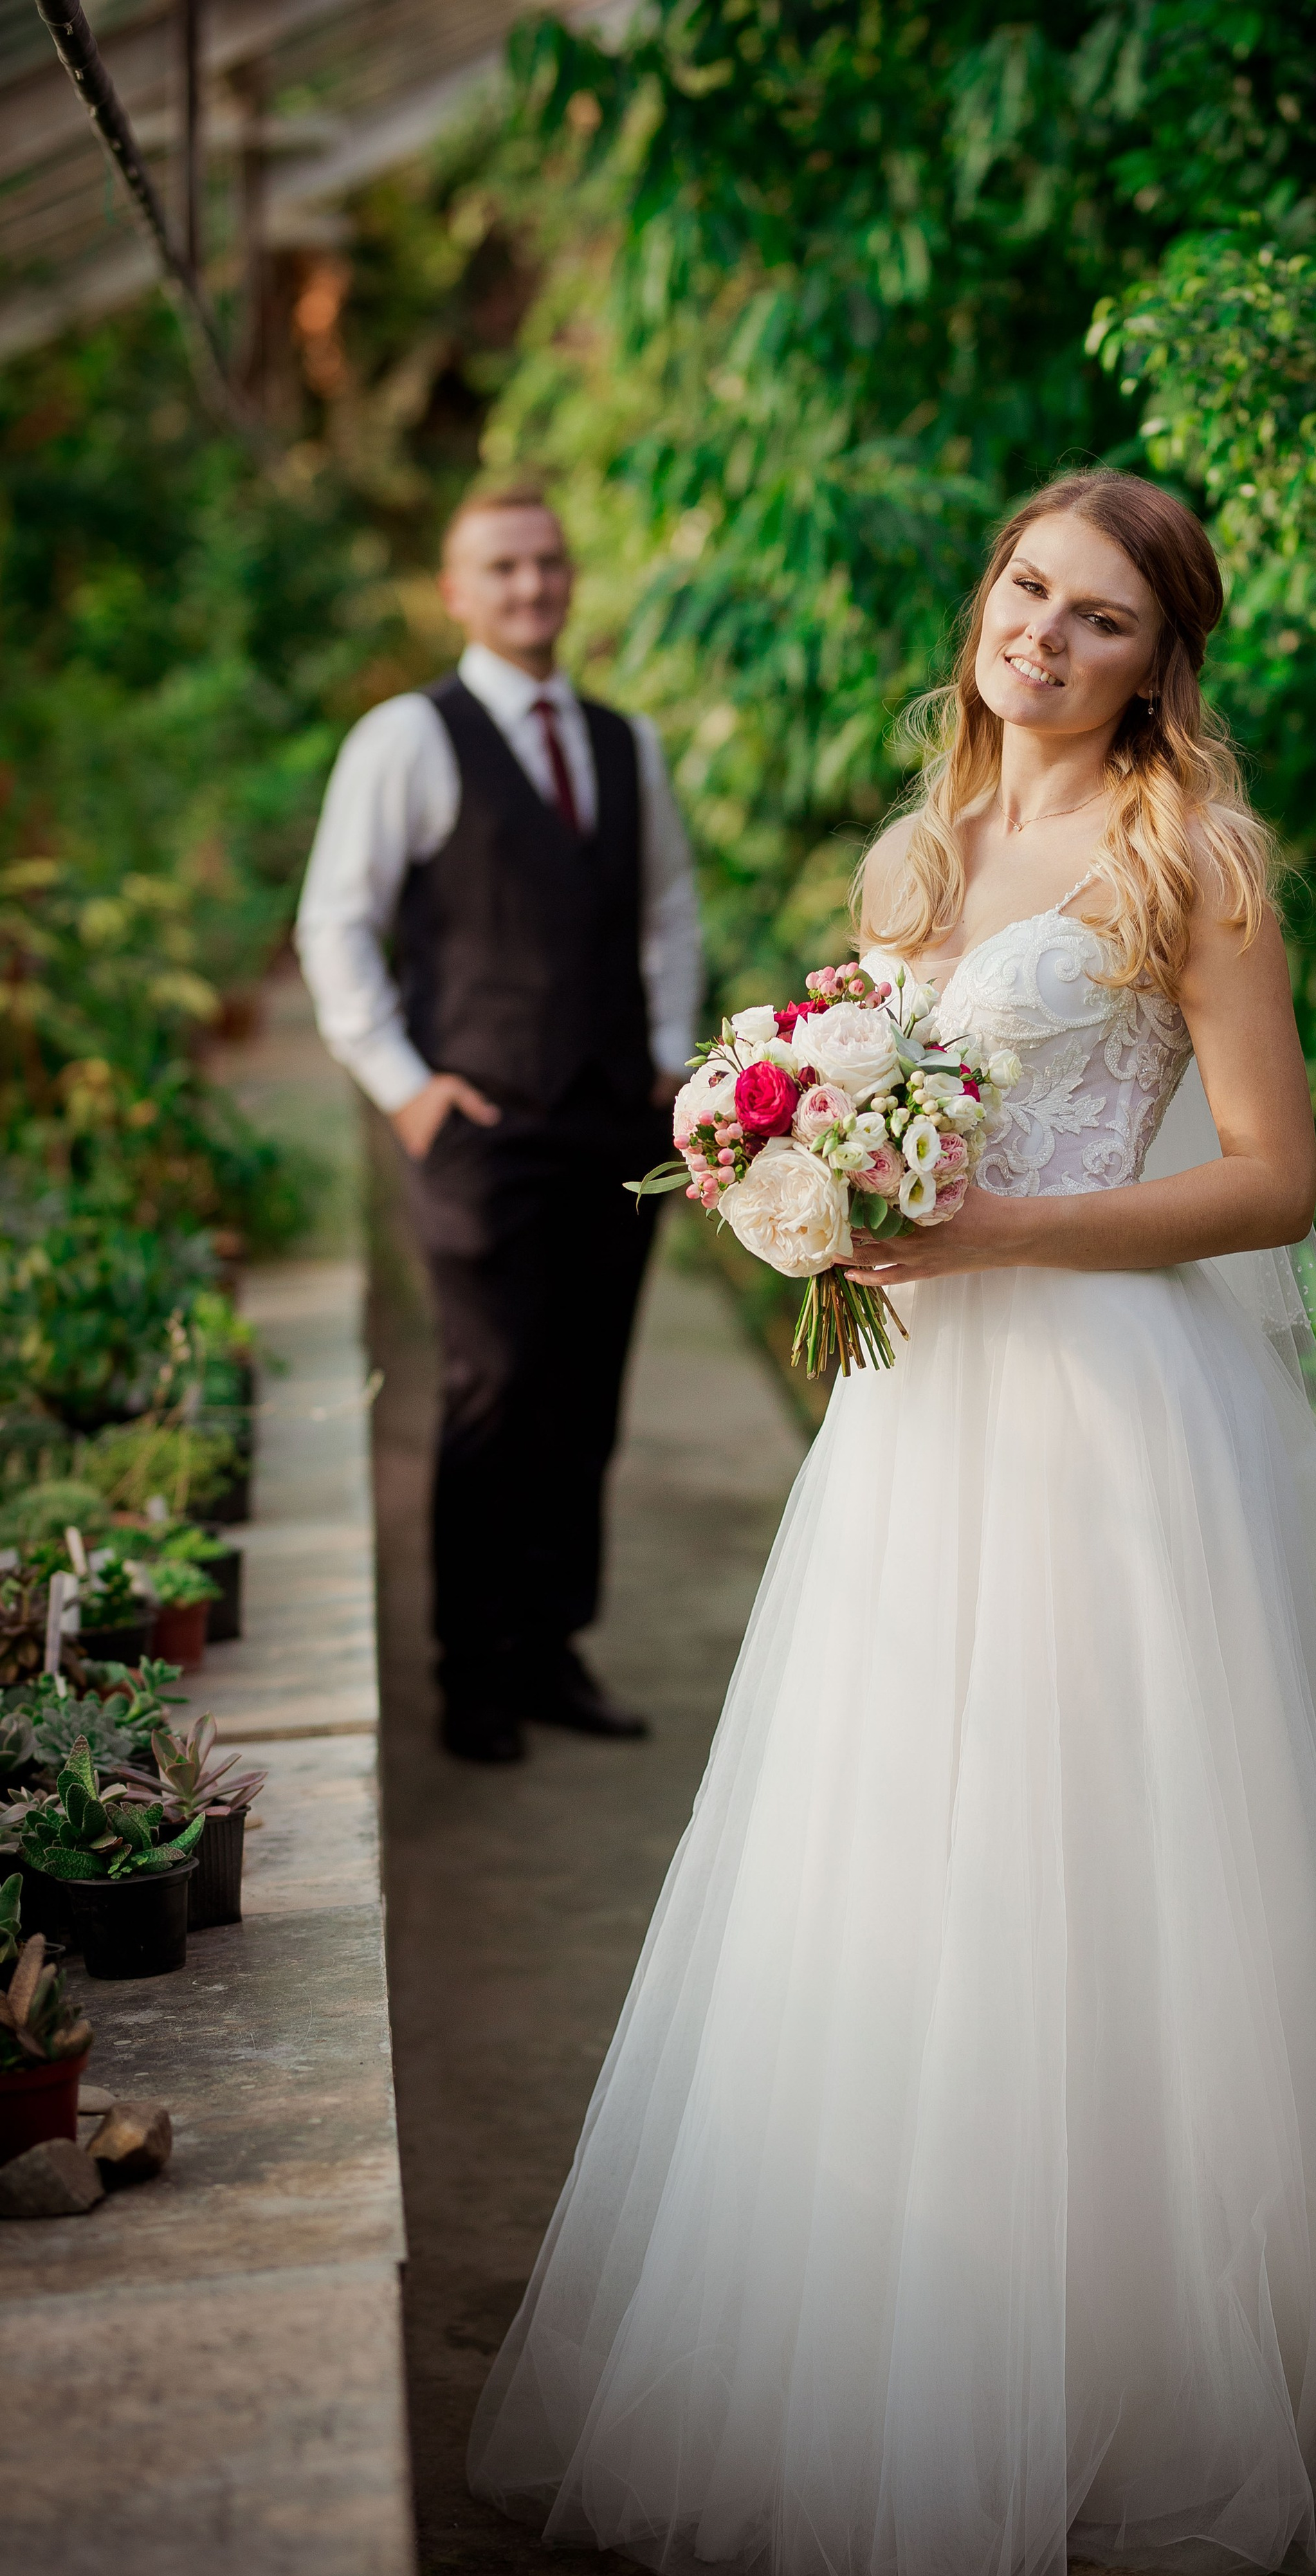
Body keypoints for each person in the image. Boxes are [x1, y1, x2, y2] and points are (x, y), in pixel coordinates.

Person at [466, 471, 1316, 2576]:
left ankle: (1155, 2375)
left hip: (1116, 1423)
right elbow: (900, 1135)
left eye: (1098, 618)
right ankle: (936, 2349)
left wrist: (1001, 1231)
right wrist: (802, 1184)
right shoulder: (929, 852)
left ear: (1163, 661)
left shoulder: (1195, 866)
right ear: (984, 600)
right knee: (909, 1866)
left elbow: (1271, 1186)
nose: (1043, 638)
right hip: (923, 1437)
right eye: (1024, 592)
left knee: (1122, 1881)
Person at [296, 480, 701, 1765]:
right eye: (503, 569)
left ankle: (550, 1649)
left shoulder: (627, 744)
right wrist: (407, 1089)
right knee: (493, 1390)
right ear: (458, 591)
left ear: (569, 579)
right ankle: (473, 1670)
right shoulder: (405, 740)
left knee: (585, 1395)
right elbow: (335, 925)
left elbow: (668, 908)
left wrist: (661, 1055)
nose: (533, 586)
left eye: (548, 562)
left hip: (616, 1129)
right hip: (478, 1124)